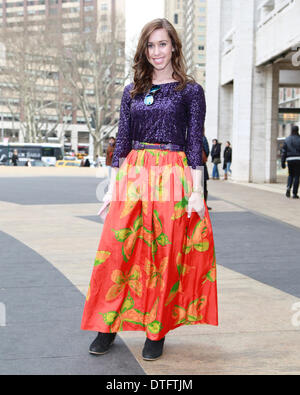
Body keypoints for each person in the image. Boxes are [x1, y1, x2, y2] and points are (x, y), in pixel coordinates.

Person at [81, 18, 218, 361]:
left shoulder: (191, 91)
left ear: (174, 47)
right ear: (144, 50)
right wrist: (112, 189)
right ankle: (107, 326)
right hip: (134, 175)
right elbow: (122, 142)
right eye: (150, 45)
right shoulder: (132, 91)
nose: (157, 51)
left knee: (163, 254)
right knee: (117, 250)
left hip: (173, 175)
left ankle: (155, 330)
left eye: (163, 44)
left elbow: (193, 145)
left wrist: (198, 193)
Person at [281, 125, 300, 199]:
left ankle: (288, 187)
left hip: (290, 159)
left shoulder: (287, 139)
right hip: (298, 159)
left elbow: (283, 152)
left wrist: (283, 162)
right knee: (297, 176)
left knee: (290, 174)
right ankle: (294, 193)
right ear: (297, 130)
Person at [202, 132, 211, 210]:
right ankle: (204, 204)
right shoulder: (203, 137)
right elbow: (207, 150)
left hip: (190, 164)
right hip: (201, 164)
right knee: (204, 186)